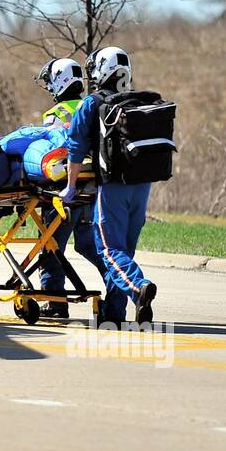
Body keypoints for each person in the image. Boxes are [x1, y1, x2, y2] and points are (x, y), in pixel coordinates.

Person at [62, 47, 158, 325]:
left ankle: (139, 287)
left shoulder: (91, 104)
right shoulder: (137, 102)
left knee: (108, 250)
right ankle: (114, 314)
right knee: (123, 251)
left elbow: (75, 148)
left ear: (101, 70)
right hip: (141, 186)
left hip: (112, 186)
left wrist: (69, 186)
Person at [32, 57, 102, 319]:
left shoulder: (55, 114)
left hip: (65, 190)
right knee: (89, 245)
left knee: (51, 245)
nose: (49, 87)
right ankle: (119, 284)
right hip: (93, 189)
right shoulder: (94, 106)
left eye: (50, 82)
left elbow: (55, 152)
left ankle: (55, 302)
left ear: (59, 82)